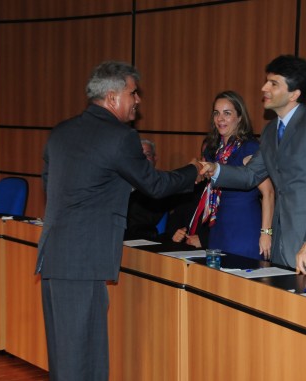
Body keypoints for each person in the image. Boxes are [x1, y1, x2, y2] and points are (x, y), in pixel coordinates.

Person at [35, 61, 201, 381]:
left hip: (56, 255)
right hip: (83, 262)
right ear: (112, 97)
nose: (137, 100)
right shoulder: (120, 137)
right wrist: (194, 171)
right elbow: (153, 185)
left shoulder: (61, 132)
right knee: (82, 360)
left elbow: (49, 184)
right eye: (133, 92)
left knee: (70, 356)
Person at [200, 55, 306, 273]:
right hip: (282, 240)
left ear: (294, 94)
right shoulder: (271, 131)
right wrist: (215, 170)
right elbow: (250, 175)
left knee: (305, 306)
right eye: (266, 81)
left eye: (273, 83)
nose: (264, 88)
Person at [192, 91, 274, 260]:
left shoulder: (250, 148)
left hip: (244, 229)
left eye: (227, 113)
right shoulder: (212, 150)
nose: (220, 119)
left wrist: (266, 233)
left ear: (240, 118)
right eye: (217, 113)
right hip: (217, 228)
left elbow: (268, 193)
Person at [124, 139, 174, 240]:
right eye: (139, 155)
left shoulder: (162, 184)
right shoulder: (122, 182)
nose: (143, 159)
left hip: (147, 238)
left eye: (147, 154)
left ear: (155, 158)